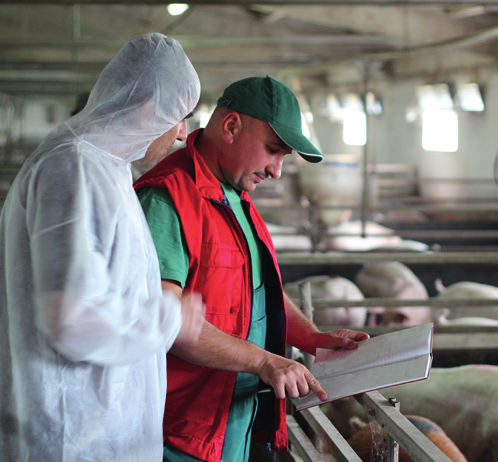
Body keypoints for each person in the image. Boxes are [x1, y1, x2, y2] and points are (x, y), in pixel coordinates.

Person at [134, 75, 369, 462]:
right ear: (230, 126)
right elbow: (164, 320)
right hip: (179, 432)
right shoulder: (166, 200)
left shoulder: (237, 197)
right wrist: (264, 361)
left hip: (235, 420)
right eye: (272, 150)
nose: (276, 170)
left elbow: (259, 293)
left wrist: (310, 336)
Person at [0, 33, 204, 462]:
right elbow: (70, 318)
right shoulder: (72, 166)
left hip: (101, 427)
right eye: (180, 117)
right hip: (71, 435)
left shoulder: (106, 166)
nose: (184, 133)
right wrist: (169, 319)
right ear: (151, 107)